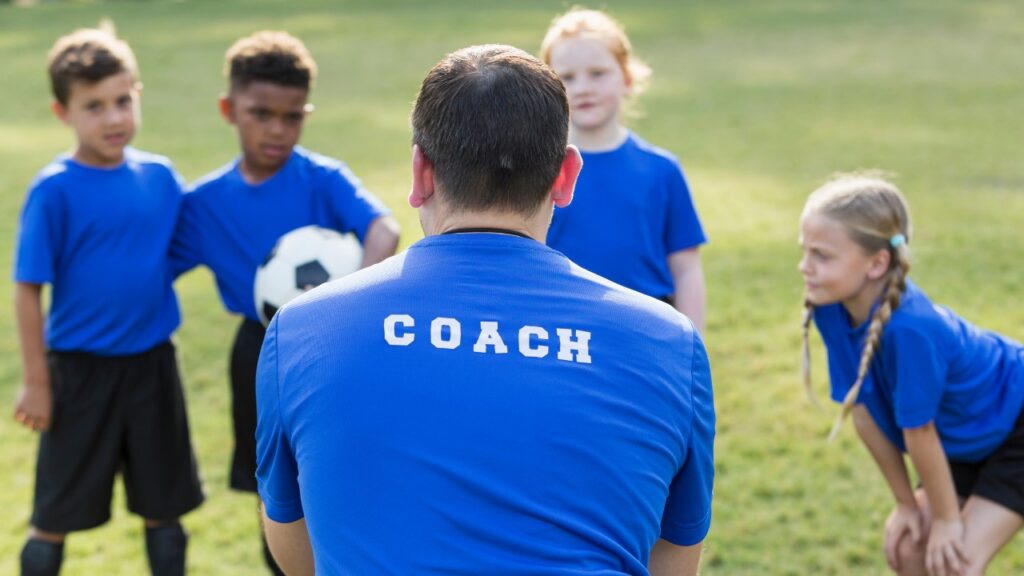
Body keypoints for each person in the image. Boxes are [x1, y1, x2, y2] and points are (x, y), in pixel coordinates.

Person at [255, 44, 715, 576]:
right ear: (566, 177)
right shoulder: (671, 343)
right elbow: (676, 559)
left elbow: (294, 547)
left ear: (420, 172)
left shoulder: (302, 329)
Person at [169, 30, 399, 574]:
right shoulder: (204, 203)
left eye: (292, 116)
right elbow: (154, 266)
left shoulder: (321, 178)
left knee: (336, 467)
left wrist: (345, 304)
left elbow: (384, 230)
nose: (277, 129)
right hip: (256, 351)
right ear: (230, 109)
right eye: (261, 113)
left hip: (332, 345)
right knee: (272, 487)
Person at [12, 24, 204, 576]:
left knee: (165, 511)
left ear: (138, 95)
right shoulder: (54, 190)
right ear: (62, 112)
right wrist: (37, 381)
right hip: (77, 375)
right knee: (54, 513)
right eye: (93, 106)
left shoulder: (161, 178)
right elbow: (27, 290)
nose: (114, 117)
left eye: (123, 100)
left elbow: (182, 247)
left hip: (152, 366)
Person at [799, 174, 1024, 576]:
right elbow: (862, 411)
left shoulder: (910, 329)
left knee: (954, 563)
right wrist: (906, 503)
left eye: (822, 255)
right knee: (909, 551)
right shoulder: (830, 308)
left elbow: (919, 432)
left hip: (1016, 424)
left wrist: (946, 520)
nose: (805, 267)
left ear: (877, 263)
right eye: (805, 251)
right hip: (965, 437)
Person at [539, 8, 708, 331]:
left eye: (598, 73)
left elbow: (686, 269)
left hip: (646, 332)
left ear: (627, 79)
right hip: (562, 332)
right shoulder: (538, 170)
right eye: (567, 78)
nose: (583, 87)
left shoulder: (661, 170)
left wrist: (692, 347)